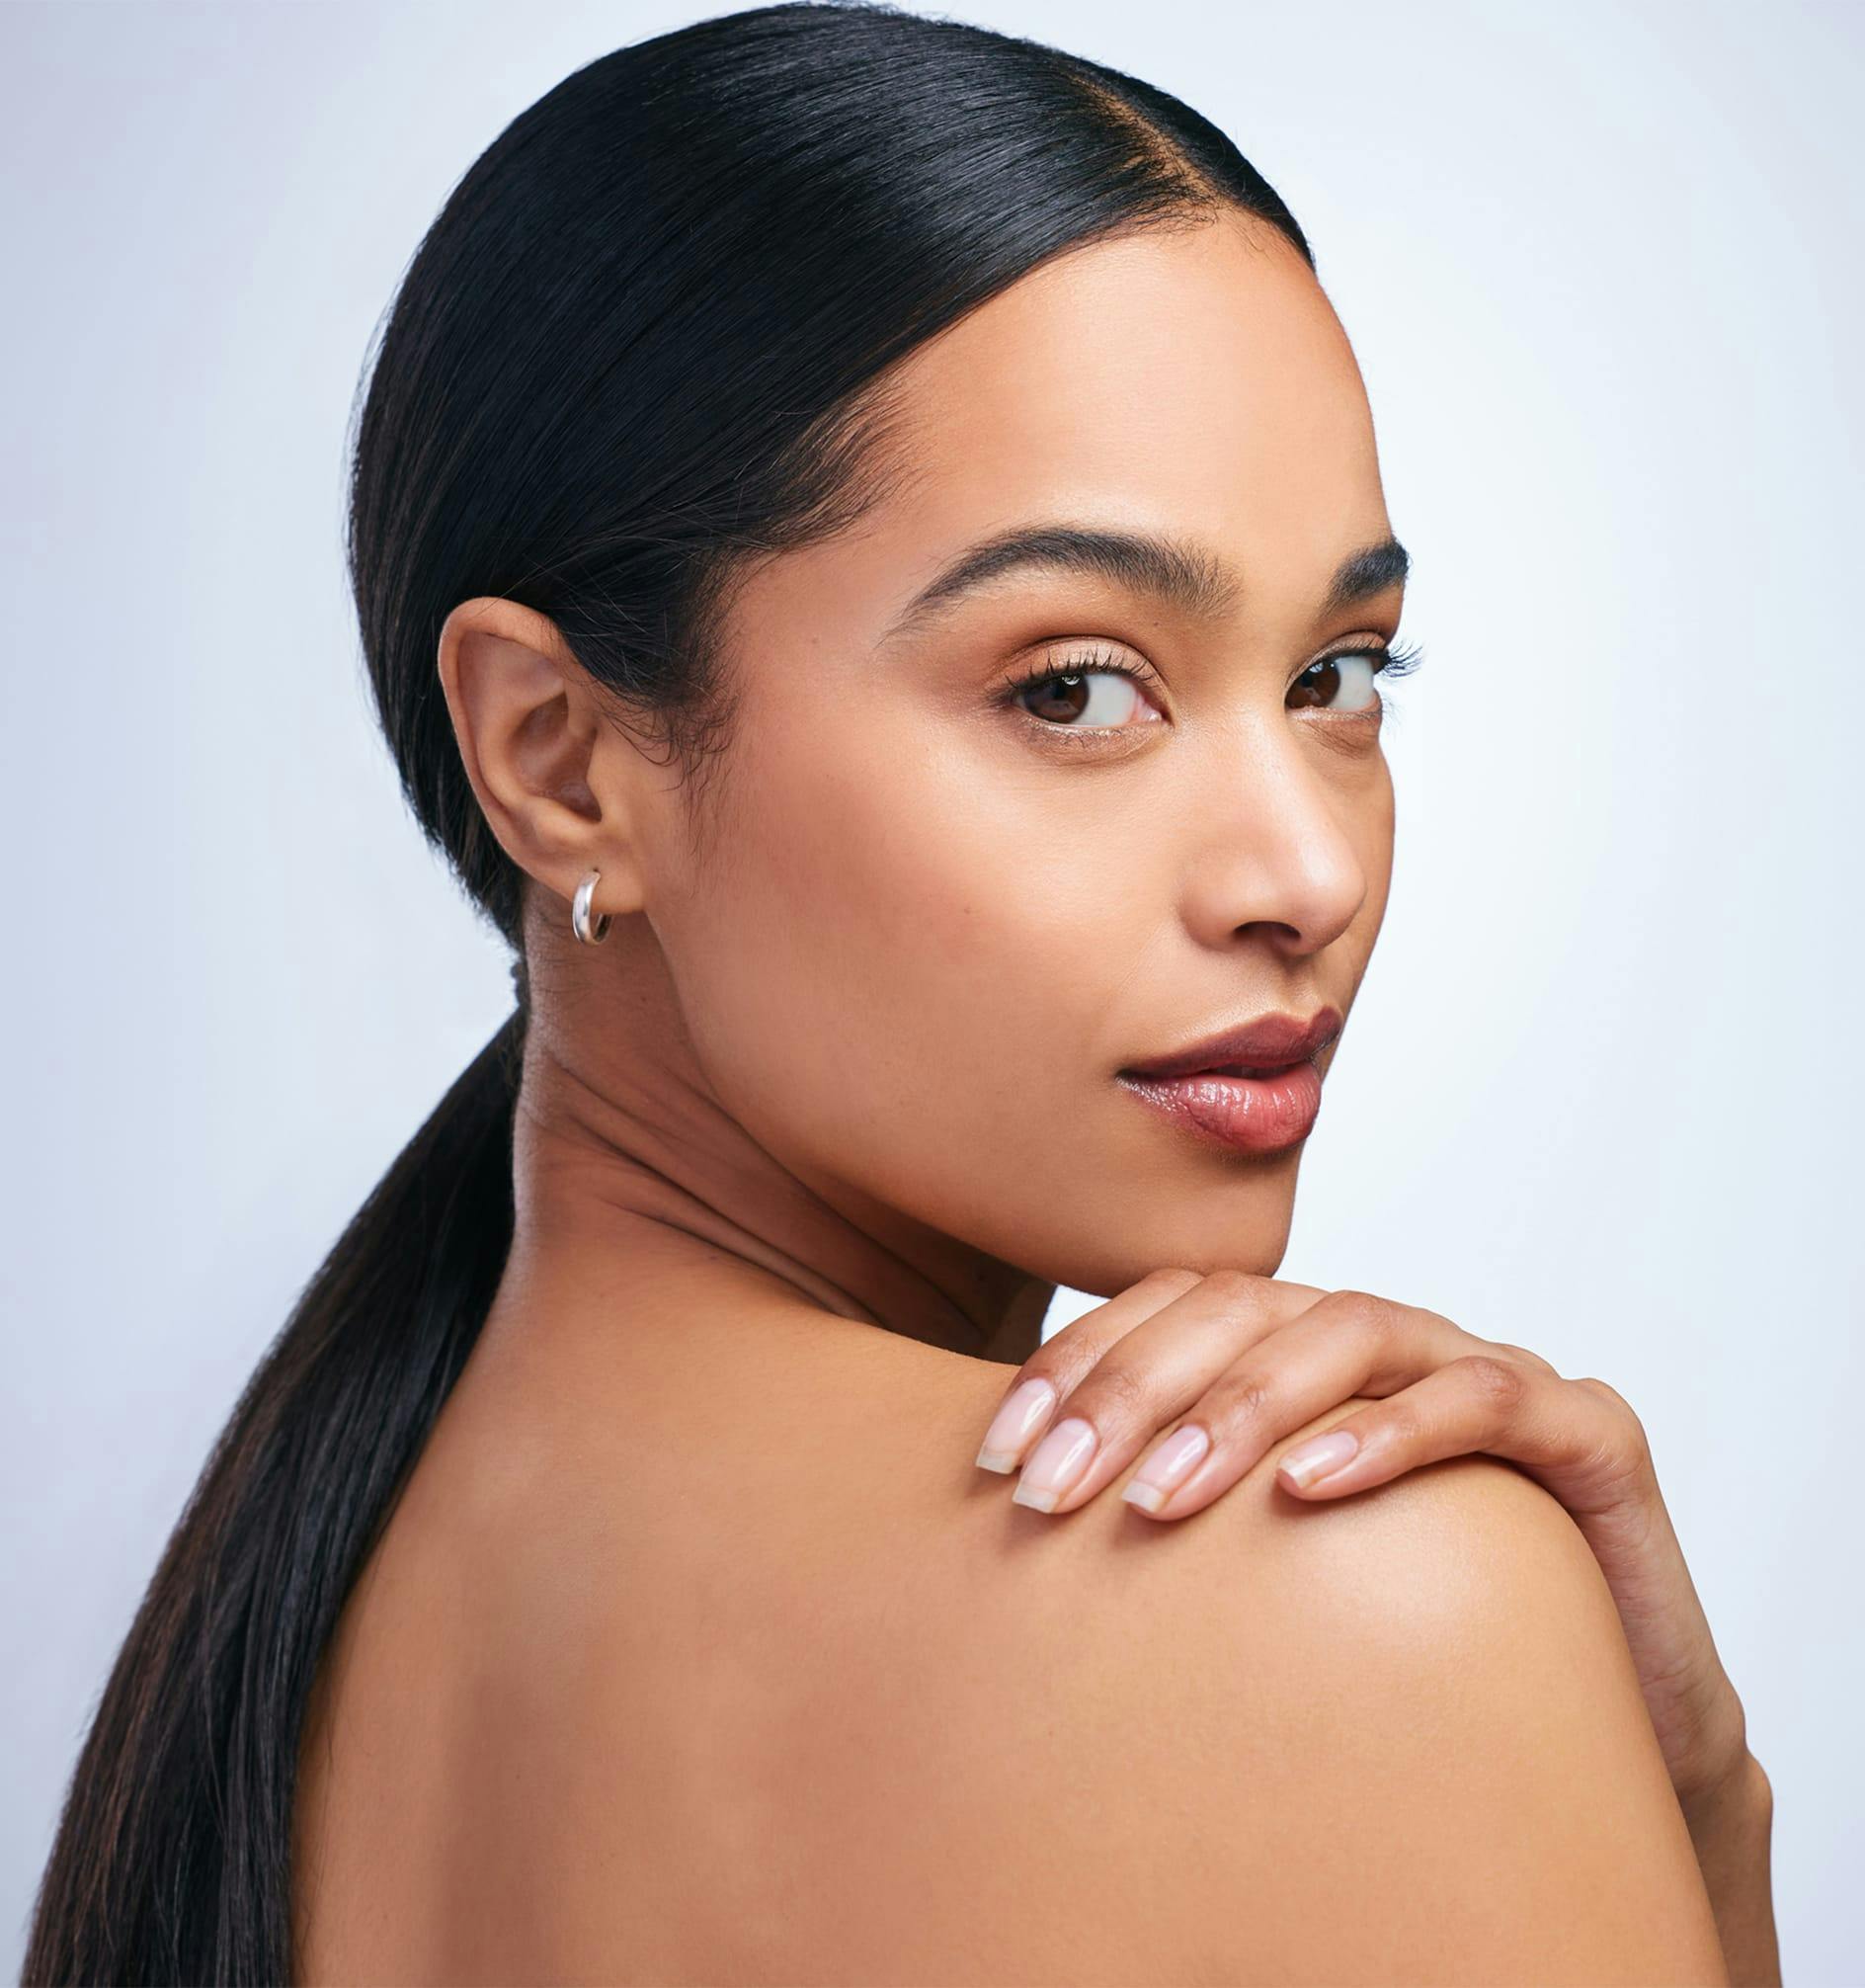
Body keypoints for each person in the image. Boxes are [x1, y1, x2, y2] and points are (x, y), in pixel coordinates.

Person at [25, 5, 1777, 1983]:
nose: (1304, 874)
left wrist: (1693, 1799)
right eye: (1069, 688)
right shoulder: (1352, 1611)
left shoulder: (318, 1625)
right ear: (558, 756)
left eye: (1334, 677)